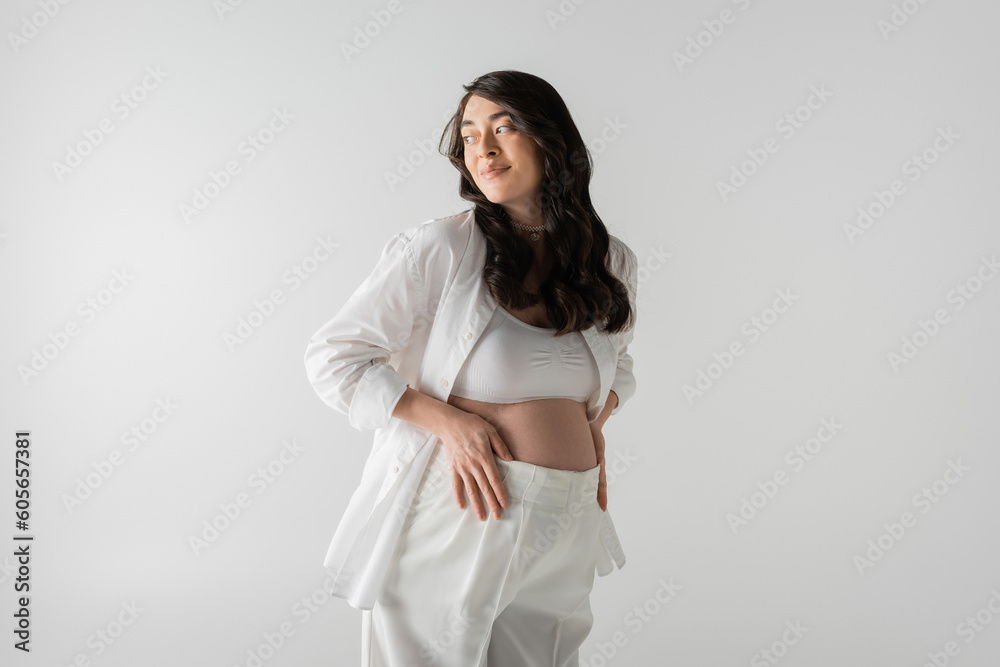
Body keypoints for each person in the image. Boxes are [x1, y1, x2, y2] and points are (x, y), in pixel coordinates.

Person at [304, 69, 639, 667]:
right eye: (469, 133)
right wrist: (447, 423)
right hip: (462, 508)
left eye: (504, 127)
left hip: (568, 517)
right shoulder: (440, 248)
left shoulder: (609, 260)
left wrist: (597, 422)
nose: (480, 148)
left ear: (551, 140)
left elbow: (621, 364)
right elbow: (336, 359)